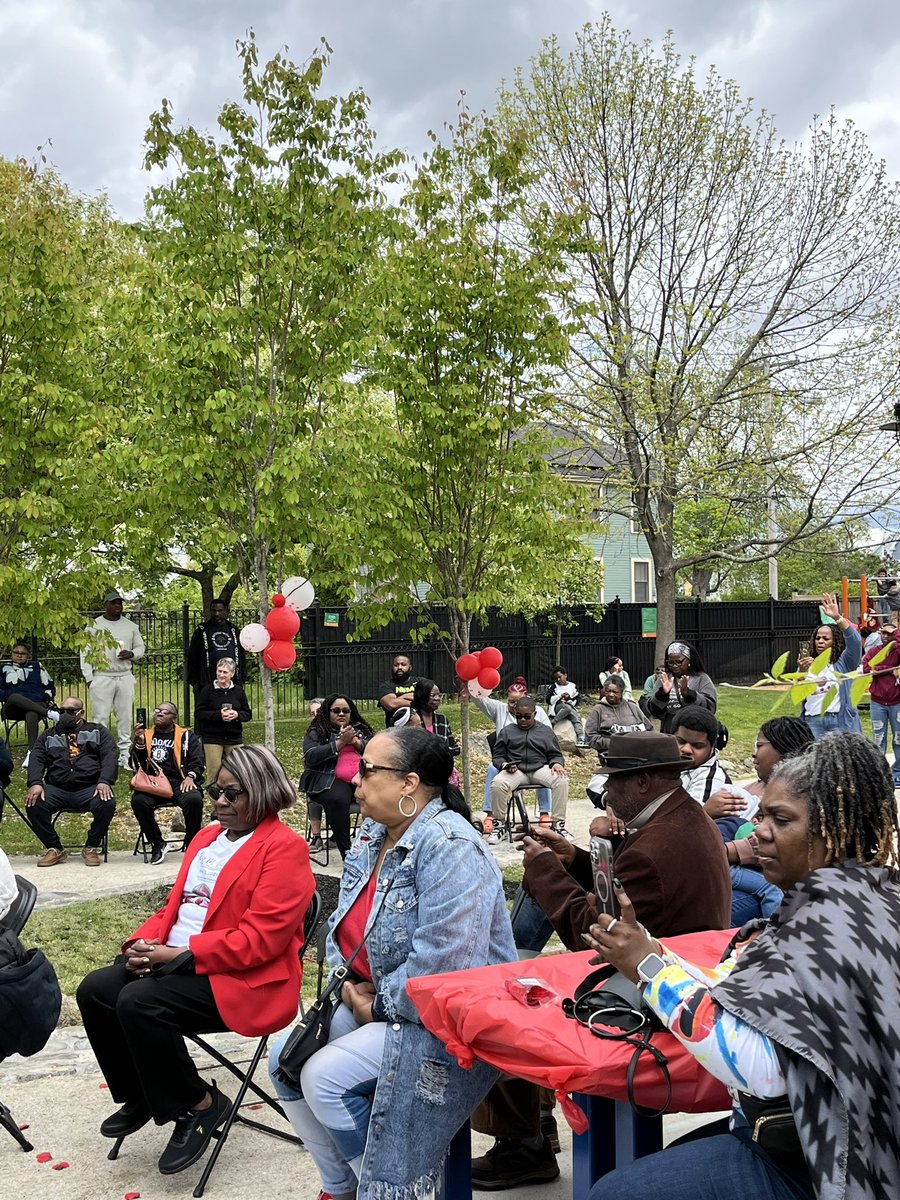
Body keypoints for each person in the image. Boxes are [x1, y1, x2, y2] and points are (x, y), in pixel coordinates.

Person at [586, 732, 900, 1200]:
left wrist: (648, 970)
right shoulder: (869, 896)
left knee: (614, 1193)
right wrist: (655, 953)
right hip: (861, 1144)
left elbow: (762, 1069)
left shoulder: (821, 923)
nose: (758, 830)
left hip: (821, 1164)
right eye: (761, 814)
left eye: (780, 819)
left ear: (831, 827)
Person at [470, 732, 731, 1190]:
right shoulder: (679, 817)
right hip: (667, 972)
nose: (606, 791)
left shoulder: (657, 844)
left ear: (645, 783)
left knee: (504, 1011)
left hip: (648, 996)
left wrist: (545, 870)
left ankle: (525, 1143)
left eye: (615, 780)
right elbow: (621, 894)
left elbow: (594, 936)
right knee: (514, 980)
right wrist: (571, 858)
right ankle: (528, 1133)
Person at [268, 726, 517, 1200]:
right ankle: (341, 1187)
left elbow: (443, 968)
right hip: (371, 996)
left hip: (445, 1019)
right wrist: (346, 986)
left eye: (367, 769)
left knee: (324, 1080)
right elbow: (342, 924)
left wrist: (376, 1006)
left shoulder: (449, 846)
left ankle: (385, 1192)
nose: (354, 779)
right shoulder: (372, 832)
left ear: (410, 783)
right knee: (285, 1063)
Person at [76, 745, 314, 1177]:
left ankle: (201, 1103)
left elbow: (259, 941)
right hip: (177, 960)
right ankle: (145, 1093)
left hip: (241, 976)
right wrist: (143, 943)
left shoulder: (284, 849)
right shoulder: (206, 838)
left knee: (139, 1002)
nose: (219, 803)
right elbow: (176, 907)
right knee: (96, 990)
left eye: (232, 794)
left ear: (261, 793)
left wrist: (178, 955)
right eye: (215, 792)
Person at [707, 716, 813, 926]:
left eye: (760, 745)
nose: (754, 754)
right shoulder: (746, 791)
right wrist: (706, 811)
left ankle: (775, 932)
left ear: (785, 749)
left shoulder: (800, 796)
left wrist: (727, 850)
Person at [24, 697, 118, 867]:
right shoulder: (48, 735)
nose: (65, 714)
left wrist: (104, 781)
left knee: (107, 802)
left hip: (89, 788)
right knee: (33, 802)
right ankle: (54, 848)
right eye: (62, 711)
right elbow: (36, 759)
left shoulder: (98, 732)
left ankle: (91, 847)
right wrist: (35, 783)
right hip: (57, 788)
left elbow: (110, 757)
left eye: (70, 711)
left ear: (81, 713)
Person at [469, 682, 552, 841]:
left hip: (532, 760)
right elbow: (481, 700)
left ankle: (545, 813)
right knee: (491, 769)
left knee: (546, 766)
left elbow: (548, 737)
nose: (514, 706)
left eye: (518, 702)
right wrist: (470, 686)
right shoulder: (500, 710)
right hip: (507, 762)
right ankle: (491, 815)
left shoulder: (538, 712)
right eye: (511, 702)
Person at [130, 702, 205, 864]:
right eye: (157, 711)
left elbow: (198, 761)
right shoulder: (146, 734)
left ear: (174, 717)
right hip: (153, 784)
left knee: (193, 799)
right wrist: (140, 743)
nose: (159, 714)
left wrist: (191, 777)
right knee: (138, 801)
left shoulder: (186, 736)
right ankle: (157, 843)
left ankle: (192, 843)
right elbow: (136, 765)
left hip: (179, 782)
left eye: (165, 712)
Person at [301, 694, 373, 859]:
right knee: (338, 799)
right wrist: (339, 743)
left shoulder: (360, 729)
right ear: (327, 713)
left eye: (346, 710)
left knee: (384, 794)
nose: (342, 714)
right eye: (336, 711)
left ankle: (372, 846)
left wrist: (356, 742)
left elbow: (376, 749)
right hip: (328, 781)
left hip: (360, 779)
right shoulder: (318, 731)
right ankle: (346, 852)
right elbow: (311, 756)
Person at [81, 592, 146, 768]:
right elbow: (85, 652)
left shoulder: (131, 626)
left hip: (124, 675)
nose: (117, 606)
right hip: (102, 675)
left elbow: (141, 647)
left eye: (119, 603)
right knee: (100, 716)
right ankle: (99, 753)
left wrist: (132, 654)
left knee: (124, 715)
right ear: (106, 605)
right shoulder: (94, 626)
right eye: (113, 603)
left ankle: (124, 754)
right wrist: (89, 678)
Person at [490, 697, 569, 827]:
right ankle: (499, 824)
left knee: (561, 780)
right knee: (497, 784)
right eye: (518, 716)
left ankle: (558, 824)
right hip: (517, 771)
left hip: (540, 768)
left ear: (535, 714)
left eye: (527, 717)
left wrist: (556, 763)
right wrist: (505, 765)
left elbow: (555, 754)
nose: (522, 720)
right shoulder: (507, 731)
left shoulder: (545, 731)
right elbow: (498, 756)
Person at [797, 592, 862, 738]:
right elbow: (799, 694)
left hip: (838, 720)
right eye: (817, 638)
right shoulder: (807, 663)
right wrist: (801, 672)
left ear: (835, 641)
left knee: (843, 759)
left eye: (825, 638)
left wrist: (837, 618)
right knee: (816, 760)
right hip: (813, 721)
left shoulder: (844, 663)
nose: (820, 641)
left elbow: (855, 642)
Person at [194, 658, 252, 780]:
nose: (221, 675)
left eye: (225, 672)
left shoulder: (238, 691)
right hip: (213, 738)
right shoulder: (207, 690)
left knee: (238, 772)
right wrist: (218, 715)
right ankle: (214, 799)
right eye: (219, 671)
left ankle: (234, 797)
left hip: (234, 738)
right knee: (214, 775)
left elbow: (247, 714)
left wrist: (237, 715)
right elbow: (199, 714)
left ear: (232, 674)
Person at [0, 641, 59, 755]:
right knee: (15, 696)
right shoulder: (3, 668)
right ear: (11, 654)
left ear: (28, 656)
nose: (19, 655)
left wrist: (44, 697)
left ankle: (32, 751)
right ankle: (49, 713)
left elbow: (50, 687)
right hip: (14, 707)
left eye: (23, 653)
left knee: (32, 712)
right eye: (16, 652)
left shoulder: (37, 666)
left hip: (36, 705)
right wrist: (9, 694)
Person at [646, 640, 717, 734]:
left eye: (678, 662)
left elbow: (710, 708)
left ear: (689, 660)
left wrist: (688, 694)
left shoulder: (701, 678)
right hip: (670, 731)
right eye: (670, 662)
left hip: (694, 731)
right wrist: (662, 694)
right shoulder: (665, 678)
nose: (674, 666)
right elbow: (654, 711)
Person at [863, 622, 900, 786]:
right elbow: (867, 669)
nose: (885, 636)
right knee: (879, 738)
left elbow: (875, 669)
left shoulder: (897, 651)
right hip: (877, 702)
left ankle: (898, 772)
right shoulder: (873, 651)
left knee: (899, 738)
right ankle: (879, 773)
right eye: (883, 633)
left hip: (897, 701)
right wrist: (889, 669)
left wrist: (896, 632)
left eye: (889, 634)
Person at [186, 599, 246, 692]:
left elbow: (241, 655)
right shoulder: (202, 631)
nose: (216, 614)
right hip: (207, 682)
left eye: (219, 611)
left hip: (231, 683)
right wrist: (194, 681)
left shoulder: (233, 630)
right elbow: (193, 657)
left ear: (225, 611)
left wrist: (241, 678)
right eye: (214, 611)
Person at [673, 707, 730, 804]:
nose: (686, 749)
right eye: (681, 741)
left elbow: (690, 815)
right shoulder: (665, 763)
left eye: (697, 746)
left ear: (712, 748)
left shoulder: (711, 778)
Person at [584, 675, 651, 755]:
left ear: (621, 692)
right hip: (613, 753)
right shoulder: (598, 709)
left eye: (615, 692)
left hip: (638, 750)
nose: (611, 694)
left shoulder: (632, 707)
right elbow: (590, 736)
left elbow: (649, 729)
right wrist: (611, 743)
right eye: (608, 691)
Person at [411, 679, 461, 782]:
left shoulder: (442, 719)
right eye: (433, 696)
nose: (437, 699)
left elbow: (454, 748)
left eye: (439, 695)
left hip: (442, 771)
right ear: (422, 696)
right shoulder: (412, 719)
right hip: (419, 774)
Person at [376, 654, 422, 726]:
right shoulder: (385, 686)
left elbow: (429, 697)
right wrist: (418, 700)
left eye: (403, 665)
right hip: (396, 729)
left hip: (422, 726)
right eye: (396, 665)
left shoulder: (420, 682)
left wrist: (399, 699)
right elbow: (391, 704)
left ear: (410, 667)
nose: (399, 667)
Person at [545, 666, 586, 744]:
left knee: (576, 718)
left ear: (565, 675)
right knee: (567, 708)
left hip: (569, 706)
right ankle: (553, 722)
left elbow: (577, 699)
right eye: (556, 678)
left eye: (560, 677)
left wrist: (569, 699)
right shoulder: (553, 687)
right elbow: (548, 700)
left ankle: (581, 737)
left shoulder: (572, 686)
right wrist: (559, 696)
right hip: (558, 706)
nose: (558, 680)